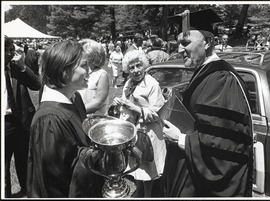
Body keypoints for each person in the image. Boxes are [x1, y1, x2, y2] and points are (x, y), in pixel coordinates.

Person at [161, 9, 253, 197]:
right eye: (178, 43)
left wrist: (180, 139)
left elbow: (223, 146)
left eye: (185, 43)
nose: (179, 49)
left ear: (208, 42)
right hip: (191, 172)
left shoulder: (222, 81)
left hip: (202, 185)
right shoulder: (206, 74)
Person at [27, 40, 104, 197]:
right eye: (84, 66)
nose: (89, 71)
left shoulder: (75, 99)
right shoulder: (50, 119)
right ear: (64, 71)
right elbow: (52, 185)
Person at [112, 50, 167, 197]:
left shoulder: (152, 84)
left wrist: (134, 108)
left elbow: (157, 113)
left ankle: (148, 195)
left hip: (149, 132)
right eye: (131, 68)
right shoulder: (129, 83)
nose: (136, 70)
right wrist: (119, 106)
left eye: (138, 66)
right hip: (134, 131)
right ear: (127, 70)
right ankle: (140, 191)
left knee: (147, 167)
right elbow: (125, 107)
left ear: (144, 65)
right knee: (137, 166)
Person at [4, 37, 41, 198]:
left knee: (24, 159)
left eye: (12, 49)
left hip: (21, 121)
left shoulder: (16, 67)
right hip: (4, 122)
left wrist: (23, 66)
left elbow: (36, 84)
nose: (12, 53)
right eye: (7, 50)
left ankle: (27, 191)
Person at [78, 39, 110, 115]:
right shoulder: (80, 73)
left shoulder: (101, 75)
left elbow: (98, 103)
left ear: (91, 56)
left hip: (95, 119)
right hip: (79, 117)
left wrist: (76, 112)